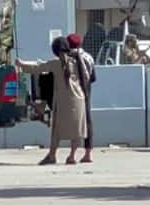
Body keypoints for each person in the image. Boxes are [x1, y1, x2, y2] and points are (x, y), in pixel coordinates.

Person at [17, 37, 88, 165]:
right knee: (77, 131)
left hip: (62, 102)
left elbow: (38, 67)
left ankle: (52, 155)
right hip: (79, 100)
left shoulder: (56, 63)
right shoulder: (77, 61)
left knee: (57, 130)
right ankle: (72, 156)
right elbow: (87, 77)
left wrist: (21, 64)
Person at [68, 32, 96, 164]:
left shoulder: (67, 58)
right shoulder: (88, 57)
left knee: (75, 122)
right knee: (87, 121)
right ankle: (88, 154)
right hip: (87, 91)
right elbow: (93, 78)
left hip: (73, 92)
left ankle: (72, 154)